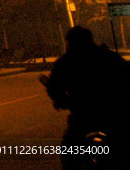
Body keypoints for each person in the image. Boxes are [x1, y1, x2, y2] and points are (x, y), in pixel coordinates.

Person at [45, 26, 130, 169]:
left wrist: (60, 100)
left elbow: (54, 87)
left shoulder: (66, 62)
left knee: (70, 150)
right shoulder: (108, 57)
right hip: (105, 115)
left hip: (93, 115)